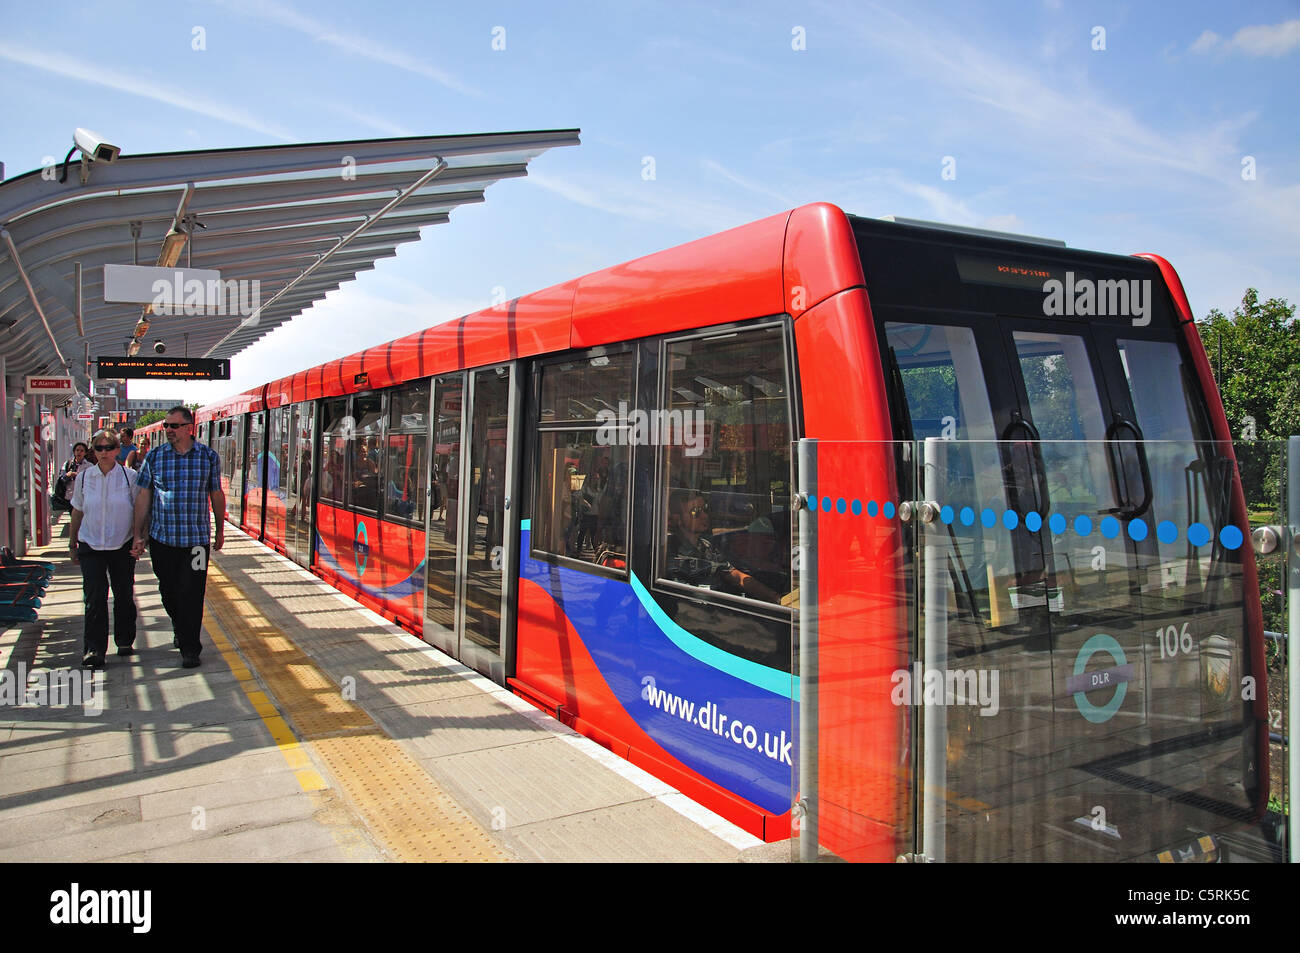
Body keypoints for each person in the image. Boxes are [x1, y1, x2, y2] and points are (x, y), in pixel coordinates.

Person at [131, 407, 225, 669]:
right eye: (166, 426)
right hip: (163, 540)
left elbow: (216, 494)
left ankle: (190, 648)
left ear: (188, 428)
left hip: (196, 542)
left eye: (174, 426)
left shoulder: (208, 457)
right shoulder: (155, 457)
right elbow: (143, 495)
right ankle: (178, 623)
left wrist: (219, 529)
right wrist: (138, 534)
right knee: (169, 590)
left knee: (193, 593)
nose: (169, 431)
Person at [69, 430, 139, 668]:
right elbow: (77, 510)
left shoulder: (130, 477)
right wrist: (72, 542)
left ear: (118, 450)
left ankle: (124, 639)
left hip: (122, 544)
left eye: (109, 447)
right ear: (94, 451)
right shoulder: (84, 478)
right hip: (90, 544)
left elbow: (140, 511)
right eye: (99, 448)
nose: (104, 452)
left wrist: (140, 537)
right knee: (95, 597)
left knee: (123, 595)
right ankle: (94, 650)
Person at [666, 489, 779, 603]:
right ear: (677, 519)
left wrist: (774, 597)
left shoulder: (706, 545)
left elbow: (735, 575)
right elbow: (686, 602)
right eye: (695, 512)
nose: (705, 516)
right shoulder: (671, 553)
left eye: (705, 509)